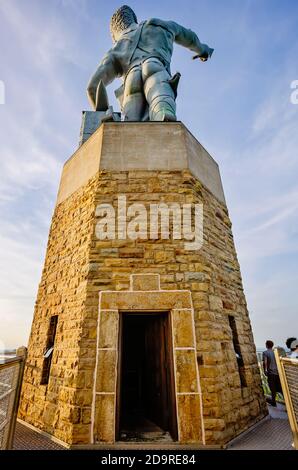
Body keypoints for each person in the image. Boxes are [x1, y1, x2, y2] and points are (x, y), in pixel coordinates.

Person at [87, 5, 213, 121]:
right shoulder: (158, 25)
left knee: (131, 127)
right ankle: (163, 113)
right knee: (161, 103)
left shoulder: (116, 49)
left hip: (131, 80)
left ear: (116, 33)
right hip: (155, 68)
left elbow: (92, 87)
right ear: (133, 19)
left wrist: (103, 112)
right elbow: (189, 37)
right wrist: (203, 50)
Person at [262, 340, 282, 407]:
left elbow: (264, 362)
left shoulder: (265, 353)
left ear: (267, 345)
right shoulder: (275, 352)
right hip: (278, 373)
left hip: (271, 373)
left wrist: (265, 370)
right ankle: (288, 402)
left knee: (272, 388)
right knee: (280, 388)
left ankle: (273, 402)